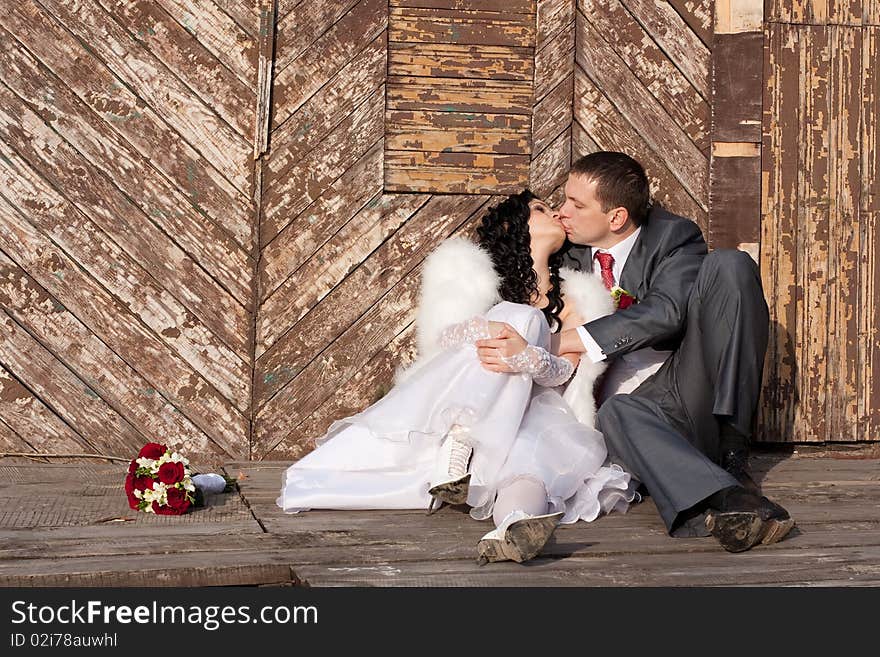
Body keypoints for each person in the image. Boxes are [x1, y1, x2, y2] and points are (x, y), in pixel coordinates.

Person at [276, 190, 636, 564]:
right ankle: (461, 437)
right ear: (516, 227)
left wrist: (524, 357)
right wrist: (490, 331)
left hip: (535, 409)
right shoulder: (487, 286)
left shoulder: (577, 298)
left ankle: (515, 526)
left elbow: (568, 371)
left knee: (530, 469)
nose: (556, 214)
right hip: (471, 402)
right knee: (520, 316)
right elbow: (445, 342)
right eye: (541, 210)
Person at [477, 152, 795, 553]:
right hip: (629, 413)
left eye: (576, 205)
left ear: (616, 218)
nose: (561, 213)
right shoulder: (566, 249)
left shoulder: (673, 237)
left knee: (731, 265)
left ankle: (733, 453)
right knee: (616, 411)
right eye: (562, 201)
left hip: (684, 389)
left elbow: (666, 313)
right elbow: (518, 265)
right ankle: (730, 500)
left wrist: (552, 341)